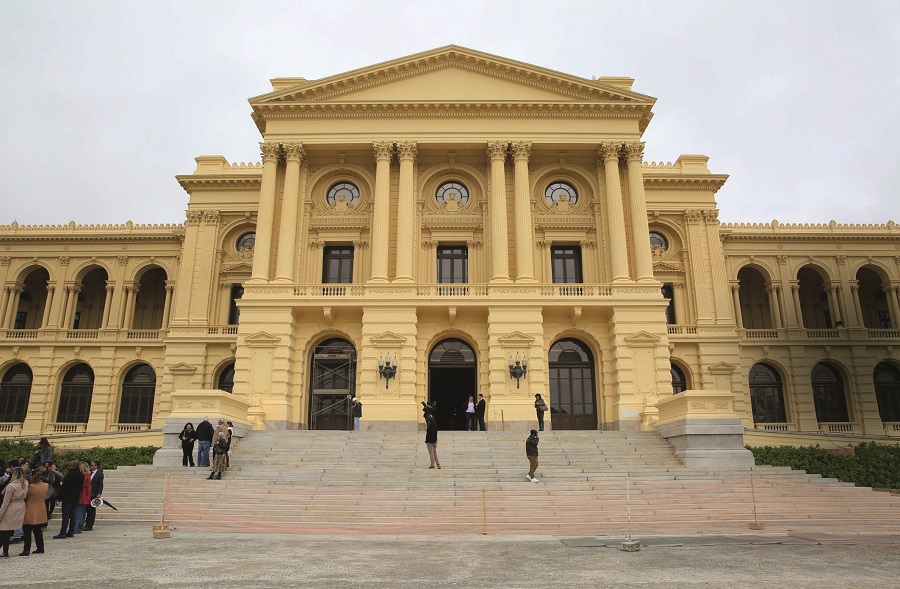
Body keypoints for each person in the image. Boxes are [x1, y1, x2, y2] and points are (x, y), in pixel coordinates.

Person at [0, 468, 28, 556]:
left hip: (11, 507)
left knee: (4, 530)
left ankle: (5, 551)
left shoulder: (11, 486)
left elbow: (6, 501)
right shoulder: (25, 483)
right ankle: (5, 551)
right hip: (21, 505)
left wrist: (0, 513)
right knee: (8, 530)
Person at [53, 460, 82, 539]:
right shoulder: (81, 475)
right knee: (73, 515)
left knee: (65, 516)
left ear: (72, 466)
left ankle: (63, 532)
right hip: (75, 497)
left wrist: (59, 497)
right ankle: (71, 531)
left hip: (67, 497)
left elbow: (64, 487)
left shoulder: (70, 475)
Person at [21, 471, 47, 556]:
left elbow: (25, 497)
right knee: (38, 530)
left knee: (27, 530)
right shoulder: (46, 485)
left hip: (30, 509)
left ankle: (26, 549)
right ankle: (40, 547)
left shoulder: (31, 487)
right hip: (41, 509)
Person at [83, 460, 103, 531]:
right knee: (88, 509)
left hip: (93, 493)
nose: (90, 466)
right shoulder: (89, 473)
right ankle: (86, 524)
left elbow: (100, 484)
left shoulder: (99, 474)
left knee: (91, 510)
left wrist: (99, 493)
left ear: (96, 466)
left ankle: (89, 525)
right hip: (87, 493)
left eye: (92, 465)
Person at [74, 462, 90, 534]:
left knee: (78, 513)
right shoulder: (88, 475)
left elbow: (81, 485)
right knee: (81, 513)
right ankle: (78, 528)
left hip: (81, 495)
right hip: (85, 495)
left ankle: (76, 528)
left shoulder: (84, 476)